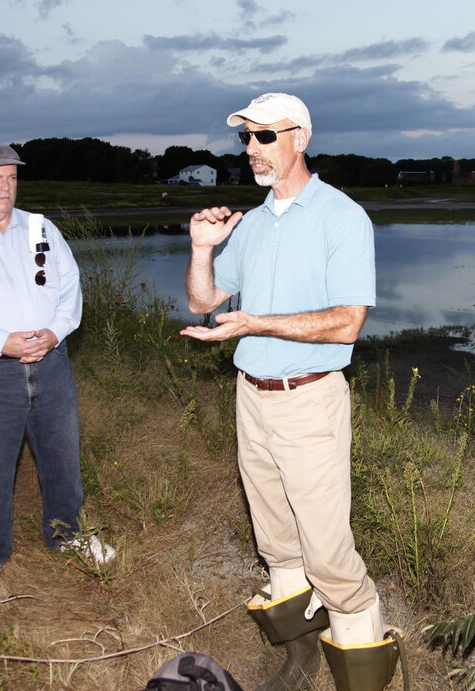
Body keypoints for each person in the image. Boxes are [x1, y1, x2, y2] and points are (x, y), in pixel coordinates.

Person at [181, 94, 398, 691]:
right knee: (276, 543)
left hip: (310, 400)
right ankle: (300, 655)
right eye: (245, 139)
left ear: (298, 138)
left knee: (327, 554)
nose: (251, 149)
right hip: (251, 398)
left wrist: (257, 322)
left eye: (263, 137)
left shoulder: (342, 217)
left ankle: (366, 679)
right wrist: (202, 248)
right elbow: (203, 302)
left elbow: (348, 321)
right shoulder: (248, 225)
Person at [0, 143, 115, 599]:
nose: (4, 187)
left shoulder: (39, 228)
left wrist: (55, 331)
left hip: (50, 364)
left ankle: (68, 535)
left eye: (10, 178)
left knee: (62, 458)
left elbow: (69, 285)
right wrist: (0, 342)